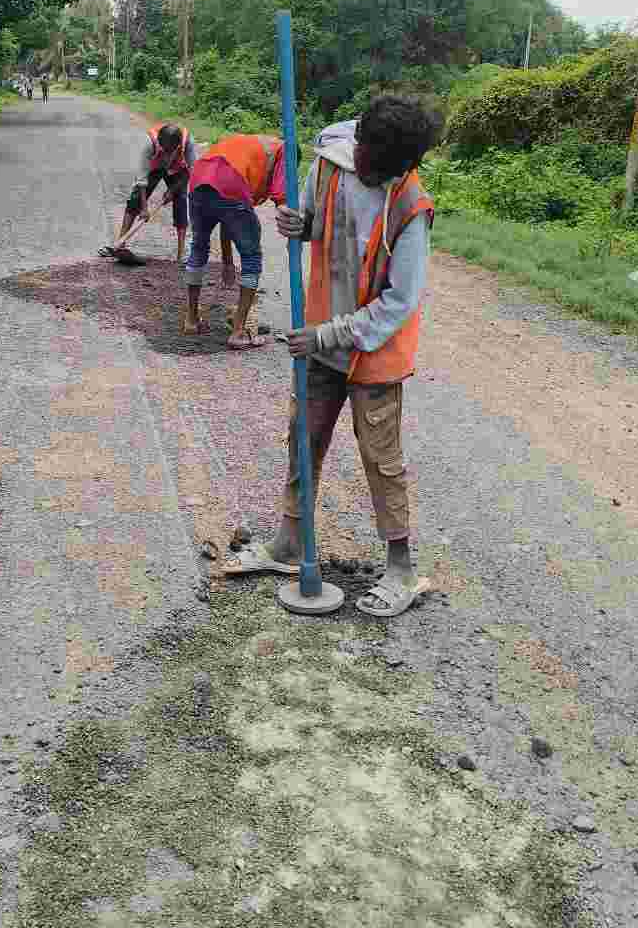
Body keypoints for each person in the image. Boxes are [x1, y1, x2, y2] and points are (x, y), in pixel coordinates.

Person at [227, 96, 441, 617]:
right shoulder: (330, 157)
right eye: (368, 161)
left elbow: (400, 301)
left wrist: (327, 335)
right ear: (360, 141)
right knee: (305, 438)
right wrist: (299, 224)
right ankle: (289, 545)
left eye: (386, 171)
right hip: (320, 331)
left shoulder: (411, 207)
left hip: (372, 351)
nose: (371, 174)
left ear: (405, 166)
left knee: (381, 458)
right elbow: (317, 220)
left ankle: (401, 570)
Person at [183, 132, 286, 349]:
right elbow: (280, 194)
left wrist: (228, 261)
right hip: (231, 181)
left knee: (199, 248)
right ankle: (239, 331)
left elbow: (225, 217)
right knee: (251, 257)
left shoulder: (244, 142)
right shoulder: (285, 151)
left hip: (199, 177)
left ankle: (191, 320)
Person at [116, 122, 198, 263]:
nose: (166, 153)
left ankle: (180, 254)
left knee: (181, 201)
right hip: (155, 167)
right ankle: (120, 244)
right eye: (163, 149)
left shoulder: (188, 143)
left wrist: (172, 190)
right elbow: (141, 178)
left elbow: (192, 171)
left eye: (169, 150)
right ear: (159, 143)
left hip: (178, 170)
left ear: (178, 146)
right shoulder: (150, 144)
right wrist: (144, 208)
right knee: (135, 199)